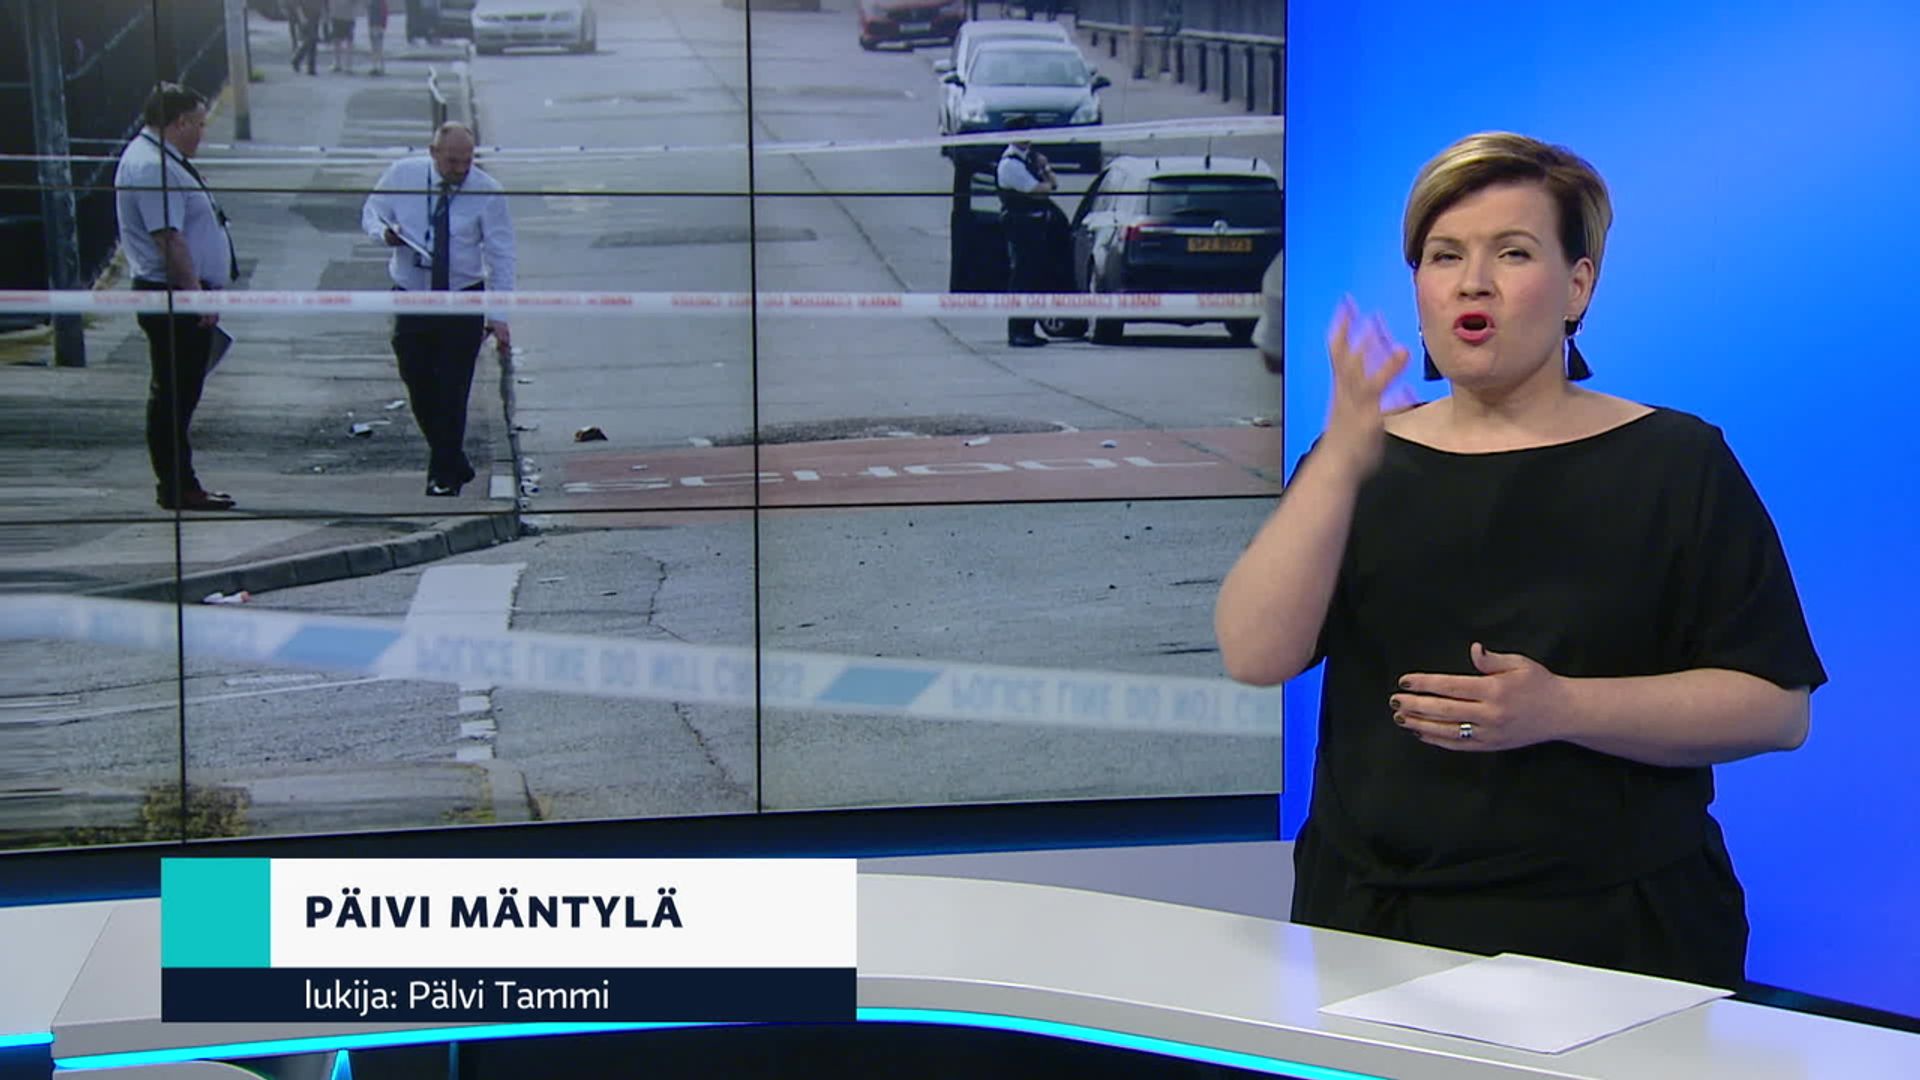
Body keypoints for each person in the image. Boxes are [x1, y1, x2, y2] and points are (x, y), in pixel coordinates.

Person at [1214, 131, 1826, 990]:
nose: (1474, 282)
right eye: (1444, 256)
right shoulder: (1355, 462)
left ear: (1578, 286)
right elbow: (1255, 653)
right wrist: (1343, 457)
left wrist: (1561, 707)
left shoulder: (1676, 462)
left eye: (1513, 253)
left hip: (1619, 934)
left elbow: (1776, 708)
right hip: (1373, 925)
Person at [360, 122, 516, 496]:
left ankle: (443, 475)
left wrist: (498, 315)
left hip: (462, 295)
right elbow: (371, 212)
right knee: (416, 377)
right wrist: (385, 234)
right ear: (433, 154)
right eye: (452, 161)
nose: (461, 169)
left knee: (453, 386)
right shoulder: (403, 175)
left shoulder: (487, 192)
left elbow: (501, 254)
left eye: (467, 161)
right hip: (412, 293)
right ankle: (454, 460)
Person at [114, 83, 242, 512]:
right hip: (171, 295)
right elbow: (168, 237)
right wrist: (194, 295)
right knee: (174, 395)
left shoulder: (162, 160)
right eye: (200, 124)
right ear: (180, 122)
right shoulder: (152, 167)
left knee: (180, 393)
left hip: (180, 292)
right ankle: (177, 486)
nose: (203, 133)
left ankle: (180, 482)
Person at [996, 116, 1057, 348]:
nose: (1027, 137)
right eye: (1022, 132)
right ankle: (1018, 331)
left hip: (1035, 225)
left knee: (1033, 277)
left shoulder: (1031, 158)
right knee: (1021, 277)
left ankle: (1028, 329)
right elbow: (1038, 189)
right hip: (1019, 226)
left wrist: (1045, 168)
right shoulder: (1010, 164)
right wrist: (1046, 183)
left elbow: (1054, 183)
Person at [291, 0, 326, 75]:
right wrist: (301, 17)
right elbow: (297, 4)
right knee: (311, 39)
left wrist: (323, 14)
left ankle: (310, 67)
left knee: (313, 41)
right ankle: (297, 60)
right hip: (306, 14)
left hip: (316, 15)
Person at [327, 0, 359, 74]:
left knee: (342, 41)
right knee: (340, 41)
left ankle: (343, 64)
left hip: (342, 15)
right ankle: (343, 64)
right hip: (342, 15)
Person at [366, 0, 389, 76]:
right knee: (379, 47)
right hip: (379, 26)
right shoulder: (382, 2)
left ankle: (376, 66)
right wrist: (384, 25)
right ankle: (381, 67)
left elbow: (370, 14)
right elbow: (385, 14)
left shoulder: (372, 3)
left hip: (374, 25)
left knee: (375, 47)